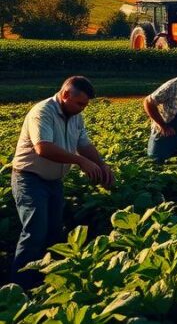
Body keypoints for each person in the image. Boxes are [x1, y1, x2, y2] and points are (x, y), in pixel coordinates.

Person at [9, 76, 114, 287]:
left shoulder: (75, 116)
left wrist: (102, 165)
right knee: (35, 232)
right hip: (29, 179)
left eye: (85, 104)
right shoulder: (43, 112)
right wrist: (80, 161)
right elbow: (43, 148)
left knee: (54, 232)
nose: (83, 108)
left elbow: (84, 145)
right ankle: (18, 289)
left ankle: (46, 281)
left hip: (54, 181)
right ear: (66, 95)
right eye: (80, 103)